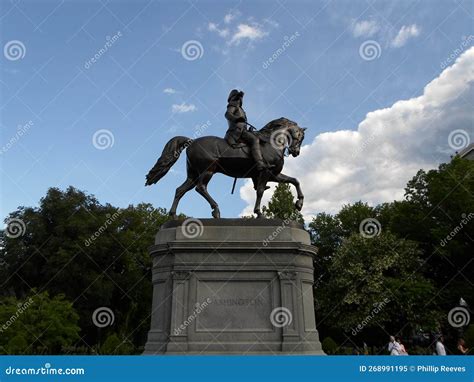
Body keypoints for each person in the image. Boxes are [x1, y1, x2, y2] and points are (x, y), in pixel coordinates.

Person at [224, 89, 267, 171]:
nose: (240, 100)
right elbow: (227, 114)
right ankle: (259, 163)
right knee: (255, 140)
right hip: (236, 132)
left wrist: (249, 129)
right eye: (238, 98)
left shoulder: (241, 110)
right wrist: (236, 118)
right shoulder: (232, 105)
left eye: (240, 99)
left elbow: (243, 123)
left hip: (243, 131)